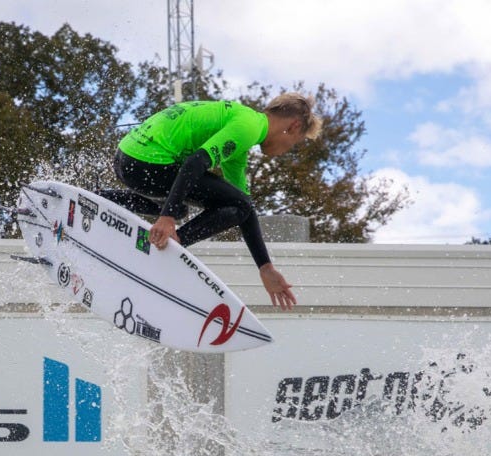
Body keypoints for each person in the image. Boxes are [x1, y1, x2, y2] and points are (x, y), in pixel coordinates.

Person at [99, 93, 323, 311]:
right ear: (293, 126)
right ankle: (174, 242)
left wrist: (265, 267)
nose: (287, 150)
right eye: (294, 143)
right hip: (148, 162)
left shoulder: (243, 126)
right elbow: (195, 163)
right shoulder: (248, 128)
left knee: (192, 206)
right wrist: (166, 217)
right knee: (190, 207)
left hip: (128, 158)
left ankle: (103, 198)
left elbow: (245, 207)